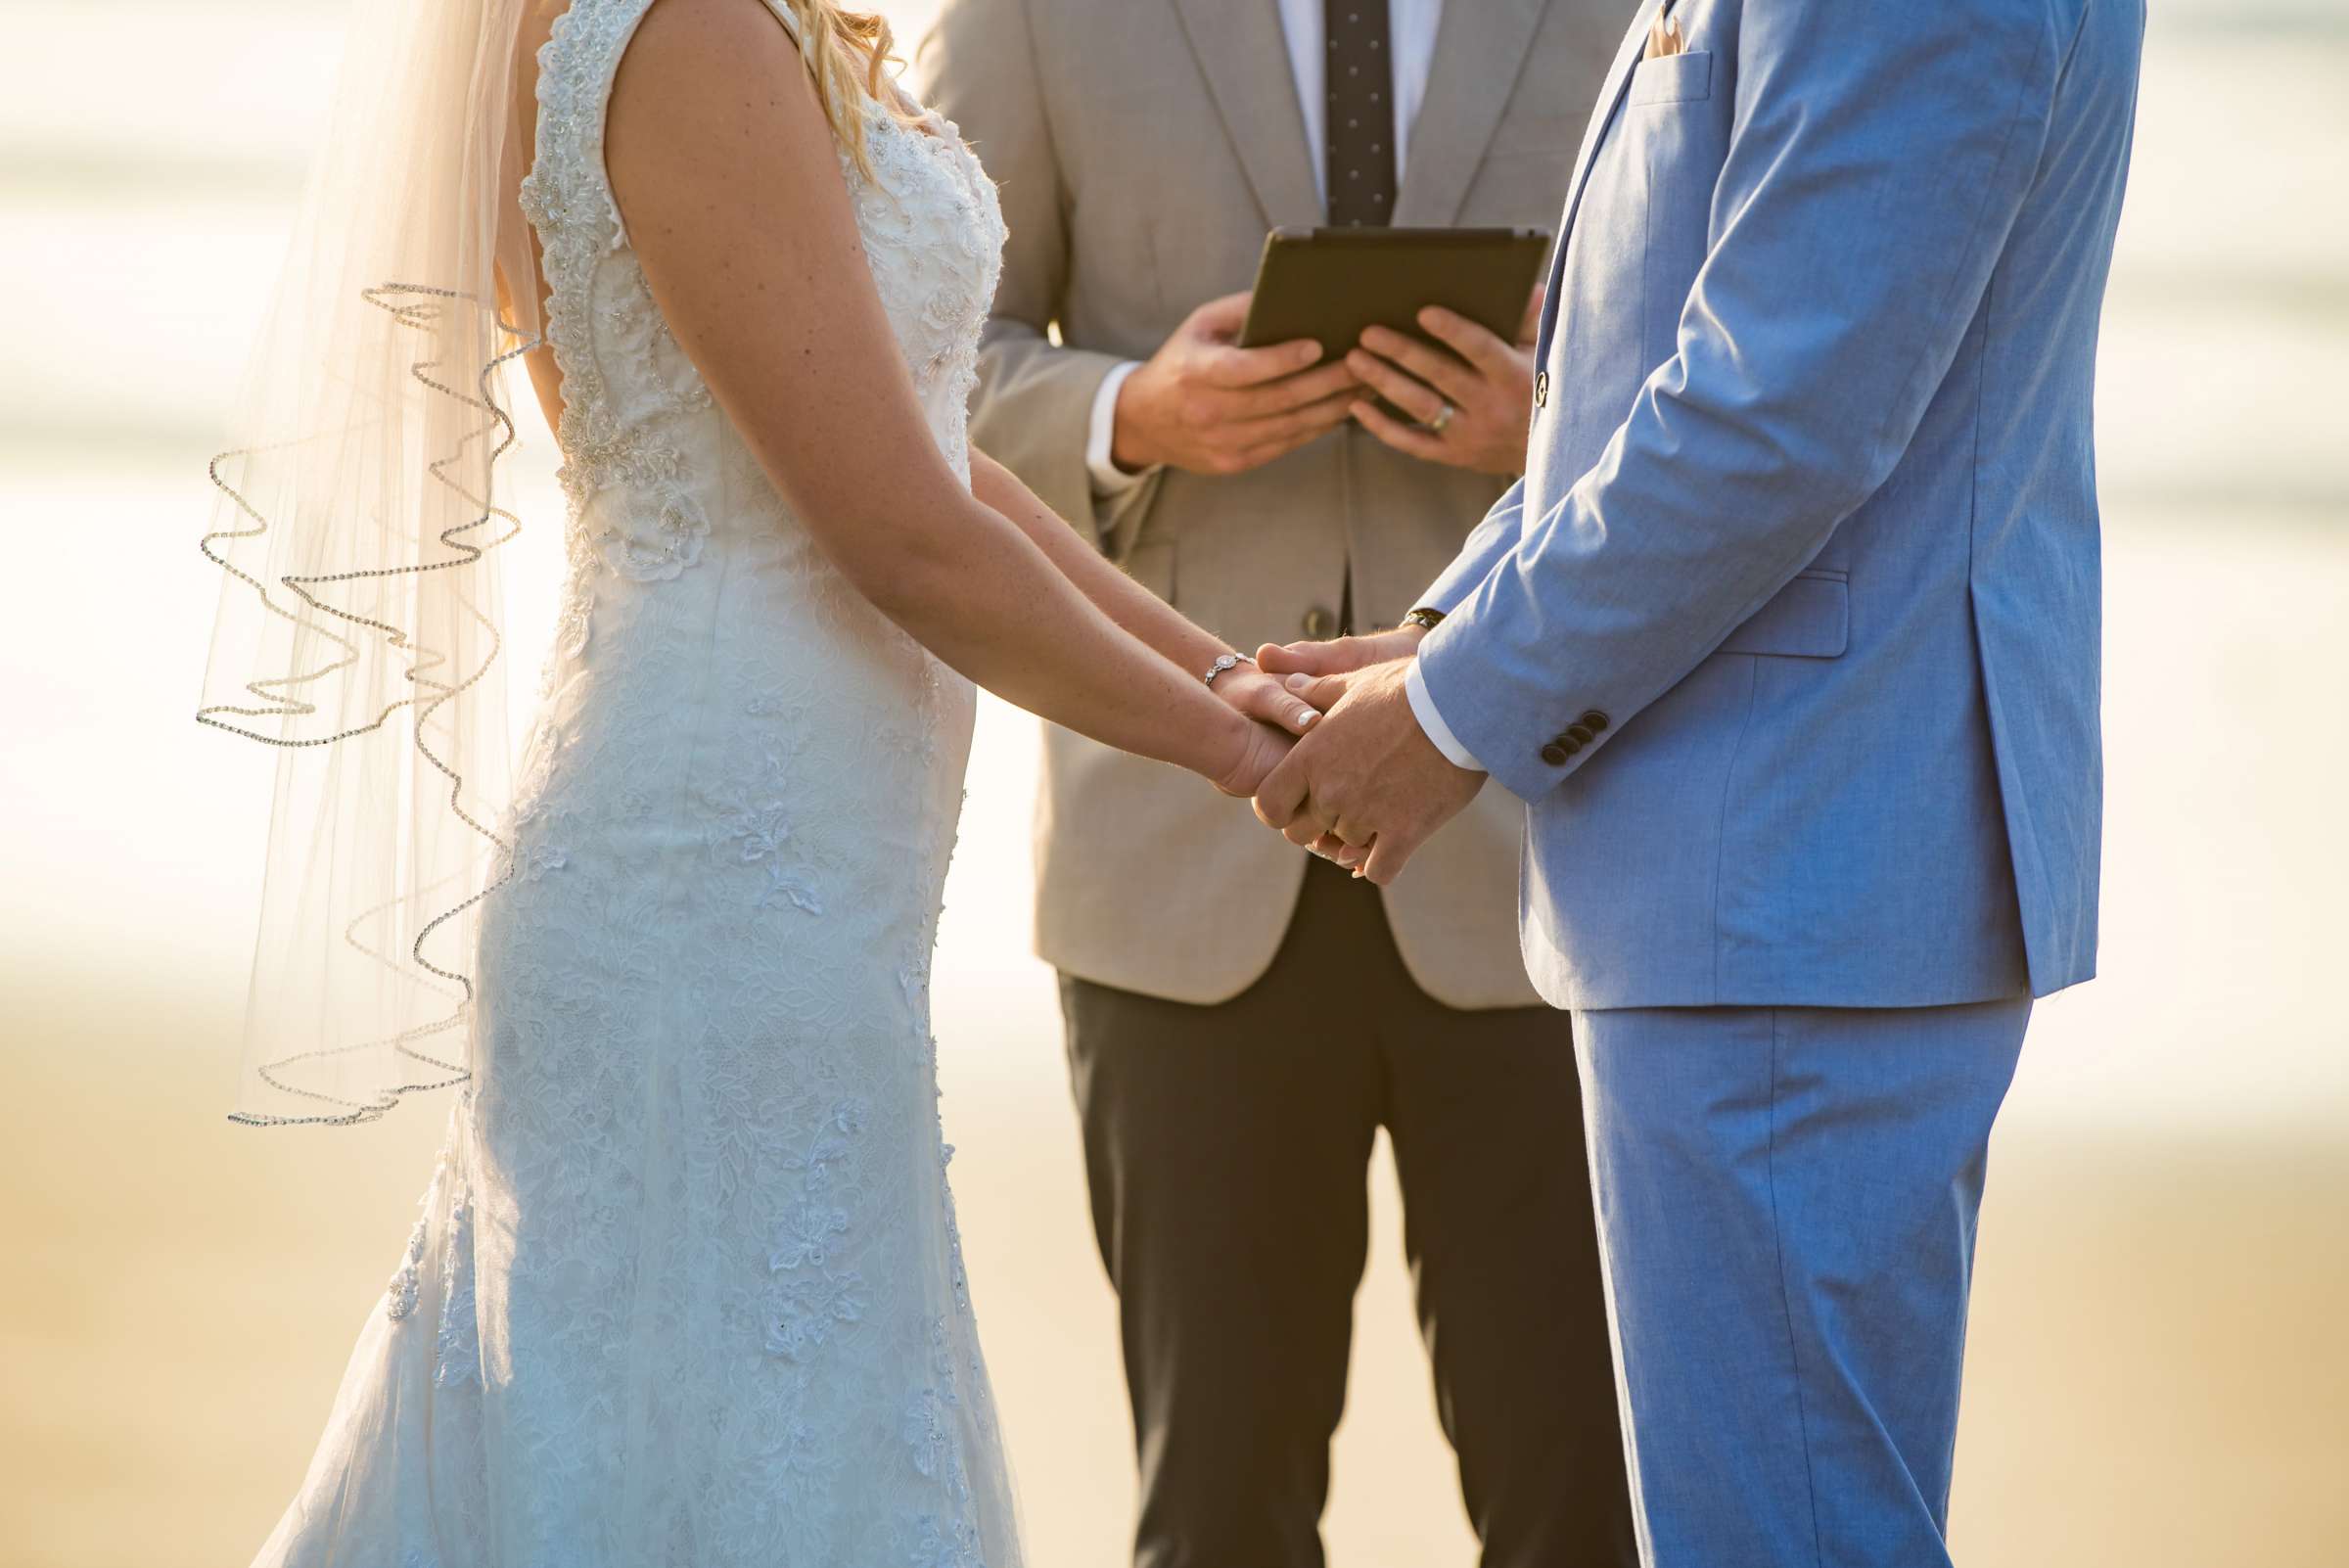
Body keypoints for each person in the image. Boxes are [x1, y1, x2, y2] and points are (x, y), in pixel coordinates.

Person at [206, 1, 1322, 1560]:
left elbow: (939, 457)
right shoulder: (685, 37)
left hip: (785, 891)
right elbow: (904, 536)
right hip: (713, 895)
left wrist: (1222, 677)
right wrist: (1238, 756)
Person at [1256, 0, 2144, 1562]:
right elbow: (1652, 369)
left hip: (1792, 857)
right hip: (1778, 862)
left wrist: (1457, 712)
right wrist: (1442, 634)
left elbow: (1777, 412)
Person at [920, 4, 1639, 1563]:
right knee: (1218, 1514)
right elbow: (905, 362)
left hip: (1551, 863)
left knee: (1585, 1509)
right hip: (1180, 863)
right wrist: (1128, 418)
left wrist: (1556, 426)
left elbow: (1742, 362)